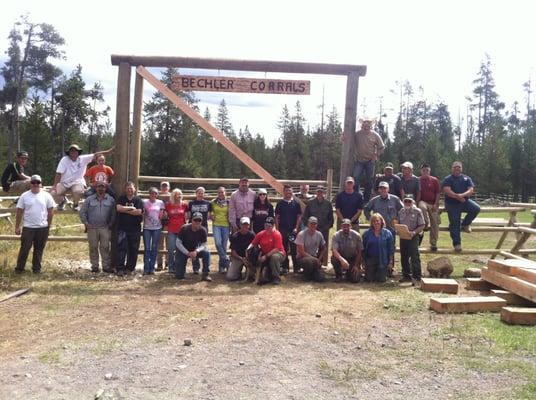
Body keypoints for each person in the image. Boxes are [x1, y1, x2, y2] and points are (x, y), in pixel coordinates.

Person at [51, 144, 114, 211]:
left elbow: (96, 154)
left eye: (75, 151)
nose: (73, 153)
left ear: (78, 152)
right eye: (71, 151)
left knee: (78, 191)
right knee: (53, 193)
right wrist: (55, 185)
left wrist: (109, 151)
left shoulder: (83, 158)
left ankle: (75, 204)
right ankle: (62, 201)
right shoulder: (64, 160)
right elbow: (58, 173)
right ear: (69, 153)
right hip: (64, 182)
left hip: (77, 182)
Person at [14, 175, 55, 274]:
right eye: (33, 182)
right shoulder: (24, 196)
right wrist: (17, 226)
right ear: (30, 184)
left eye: (38, 182)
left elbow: (51, 211)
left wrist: (48, 225)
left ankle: (36, 269)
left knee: (39, 249)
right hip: (28, 227)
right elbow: (19, 211)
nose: (36, 184)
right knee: (24, 249)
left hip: (42, 227)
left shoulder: (47, 195)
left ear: (41, 184)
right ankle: (19, 269)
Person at [442, 161, 481, 252]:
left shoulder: (466, 178)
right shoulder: (448, 179)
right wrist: (457, 197)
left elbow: (471, 189)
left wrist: (462, 196)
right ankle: (457, 244)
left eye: (459, 167)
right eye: (455, 167)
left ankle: (465, 224)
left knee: (476, 208)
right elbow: (446, 190)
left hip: (464, 201)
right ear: (452, 168)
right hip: (451, 203)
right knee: (455, 223)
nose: (457, 169)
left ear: (461, 168)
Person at [79, 181, 116, 273]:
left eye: (103, 187)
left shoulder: (110, 199)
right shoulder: (89, 199)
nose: (101, 188)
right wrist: (86, 223)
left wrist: (110, 225)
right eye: (99, 187)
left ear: (105, 188)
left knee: (105, 247)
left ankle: (106, 266)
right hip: (92, 228)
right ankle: (95, 266)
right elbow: (82, 212)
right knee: (93, 247)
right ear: (96, 188)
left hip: (105, 228)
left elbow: (113, 214)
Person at [353, 117, 385, 202]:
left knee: (369, 181)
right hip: (359, 160)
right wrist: (343, 137)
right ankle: (357, 198)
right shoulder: (357, 134)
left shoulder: (375, 134)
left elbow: (381, 147)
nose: (366, 125)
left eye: (368, 123)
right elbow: (348, 140)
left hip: (370, 161)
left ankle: (366, 200)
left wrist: (376, 155)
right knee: (355, 178)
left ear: (371, 125)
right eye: (365, 123)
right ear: (362, 124)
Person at [116, 181, 144, 276]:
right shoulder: (121, 198)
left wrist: (125, 210)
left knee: (133, 249)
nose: (129, 190)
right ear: (125, 189)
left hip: (135, 229)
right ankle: (120, 268)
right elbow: (118, 208)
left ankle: (130, 268)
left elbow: (139, 212)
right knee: (121, 249)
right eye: (128, 188)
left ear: (134, 189)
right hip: (122, 228)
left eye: (131, 188)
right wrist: (132, 209)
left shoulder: (138, 200)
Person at [175, 212, 212, 281]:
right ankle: (180, 272)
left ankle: (205, 275)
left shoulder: (203, 230)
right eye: (195, 220)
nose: (197, 222)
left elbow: (204, 244)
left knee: (207, 253)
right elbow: (178, 243)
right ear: (191, 220)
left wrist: (196, 251)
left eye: (199, 220)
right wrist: (187, 253)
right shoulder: (184, 228)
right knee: (179, 276)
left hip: (195, 250)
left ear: (202, 221)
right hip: (183, 250)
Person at [302, 185, 334, 265]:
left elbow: (331, 219)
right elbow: (305, 217)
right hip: (311, 230)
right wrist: (309, 228)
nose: (320, 193)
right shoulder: (310, 203)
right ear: (316, 192)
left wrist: (326, 228)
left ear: (324, 193)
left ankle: (320, 264)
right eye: (318, 191)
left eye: (321, 192)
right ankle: (308, 263)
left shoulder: (328, 204)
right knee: (309, 247)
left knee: (322, 248)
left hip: (323, 230)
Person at [397, 195, 425, 284]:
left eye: (409, 201)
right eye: (406, 201)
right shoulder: (401, 211)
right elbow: (399, 223)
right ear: (403, 201)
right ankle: (406, 276)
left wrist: (413, 233)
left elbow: (422, 225)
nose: (407, 203)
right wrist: (398, 230)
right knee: (404, 256)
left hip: (414, 236)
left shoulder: (417, 211)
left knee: (414, 256)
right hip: (403, 236)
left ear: (413, 202)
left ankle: (417, 277)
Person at [250, 216, 285, 285]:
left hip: (279, 254)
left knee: (274, 257)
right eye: (266, 225)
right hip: (265, 254)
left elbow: (276, 249)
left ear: (273, 226)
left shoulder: (277, 234)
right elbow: (253, 244)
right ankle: (254, 275)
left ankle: (276, 278)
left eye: (269, 226)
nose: (267, 227)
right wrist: (247, 250)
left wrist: (265, 256)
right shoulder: (261, 234)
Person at [275, 184, 302, 274]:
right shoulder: (280, 204)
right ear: (284, 192)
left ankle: (296, 267)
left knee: (294, 249)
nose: (288, 192)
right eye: (287, 190)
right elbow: (277, 217)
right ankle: (285, 267)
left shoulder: (296, 204)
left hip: (293, 230)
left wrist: (296, 228)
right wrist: (277, 230)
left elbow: (299, 217)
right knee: (284, 249)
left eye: (290, 190)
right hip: (283, 230)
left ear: (292, 192)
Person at [362, 213, 394, 283]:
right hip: (370, 259)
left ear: (381, 221)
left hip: (382, 259)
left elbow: (391, 249)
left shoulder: (388, 233)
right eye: (374, 221)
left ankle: (383, 273)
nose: (376, 223)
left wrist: (390, 262)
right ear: (372, 223)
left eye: (377, 221)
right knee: (369, 280)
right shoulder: (366, 234)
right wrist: (363, 262)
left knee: (381, 280)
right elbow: (363, 249)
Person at [188, 186, 212, 274]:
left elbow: (209, 215)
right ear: (196, 193)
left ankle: (205, 267)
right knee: (194, 246)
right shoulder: (191, 203)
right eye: (199, 193)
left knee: (203, 246)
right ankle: (196, 267)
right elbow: (189, 215)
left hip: (203, 226)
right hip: (193, 226)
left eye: (202, 193)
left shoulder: (208, 203)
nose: (200, 194)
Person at [294, 216, 326, 282]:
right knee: (308, 261)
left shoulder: (319, 234)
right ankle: (306, 275)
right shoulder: (301, 234)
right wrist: (315, 259)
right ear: (308, 224)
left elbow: (324, 248)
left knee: (321, 278)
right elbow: (301, 251)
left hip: (314, 258)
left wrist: (319, 259)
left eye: (314, 224)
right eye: (311, 223)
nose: (313, 225)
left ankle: (312, 274)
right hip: (302, 258)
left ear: (317, 225)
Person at [331, 218, 363, 283]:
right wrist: (342, 260)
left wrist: (356, 265)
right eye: (344, 226)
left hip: (352, 259)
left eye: (347, 226)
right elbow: (334, 251)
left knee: (355, 280)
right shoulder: (336, 235)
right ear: (341, 227)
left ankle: (349, 274)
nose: (345, 228)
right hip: (341, 258)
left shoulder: (357, 235)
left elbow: (360, 251)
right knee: (334, 258)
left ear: (350, 226)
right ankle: (339, 275)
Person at [164, 188, 189, 273]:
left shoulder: (184, 205)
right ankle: (170, 267)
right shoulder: (168, 205)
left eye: (180, 194)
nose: (179, 196)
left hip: (182, 230)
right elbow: (165, 216)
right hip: (171, 229)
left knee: (180, 249)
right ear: (173, 196)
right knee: (171, 249)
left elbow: (187, 216)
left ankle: (179, 266)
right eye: (177, 194)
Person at [142, 187, 165, 275]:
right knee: (147, 248)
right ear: (149, 194)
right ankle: (146, 268)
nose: (154, 195)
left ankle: (152, 268)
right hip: (147, 228)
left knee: (154, 248)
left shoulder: (160, 203)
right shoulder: (144, 202)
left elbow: (162, 214)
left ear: (157, 194)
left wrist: (162, 215)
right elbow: (142, 212)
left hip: (157, 228)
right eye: (152, 193)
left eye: (155, 193)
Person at [418, 163, 441, 251]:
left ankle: (433, 242)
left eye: (427, 170)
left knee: (435, 223)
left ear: (429, 171)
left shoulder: (434, 180)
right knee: (422, 207)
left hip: (433, 204)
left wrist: (436, 204)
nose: (425, 172)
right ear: (421, 171)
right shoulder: (418, 180)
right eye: (423, 170)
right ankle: (426, 224)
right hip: (422, 201)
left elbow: (438, 193)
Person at [227, 216, 256, 281]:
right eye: (243, 224)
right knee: (230, 277)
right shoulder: (235, 236)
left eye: (247, 225)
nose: (245, 226)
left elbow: (255, 249)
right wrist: (241, 258)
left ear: (249, 225)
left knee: (251, 277)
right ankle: (237, 273)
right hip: (238, 258)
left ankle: (250, 273)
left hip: (249, 258)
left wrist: (249, 259)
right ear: (240, 225)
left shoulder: (252, 235)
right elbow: (233, 252)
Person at [212, 186, 231, 273]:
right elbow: (211, 212)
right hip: (216, 225)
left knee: (224, 246)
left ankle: (221, 267)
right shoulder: (213, 202)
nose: (220, 194)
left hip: (226, 225)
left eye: (222, 192)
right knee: (218, 243)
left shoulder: (229, 202)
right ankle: (226, 260)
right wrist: (211, 215)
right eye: (219, 192)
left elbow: (231, 212)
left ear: (225, 193)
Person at [156, 181, 171, 270]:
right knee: (160, 244)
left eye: (166, 186)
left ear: (169, 188)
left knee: (169, 243)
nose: (164, 188)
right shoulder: (157, 196)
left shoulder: (171, 197)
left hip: (169, 222)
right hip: (159, 222)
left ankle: (168, 263)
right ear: (160, 188)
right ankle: (159, 263)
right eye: (163, 186)